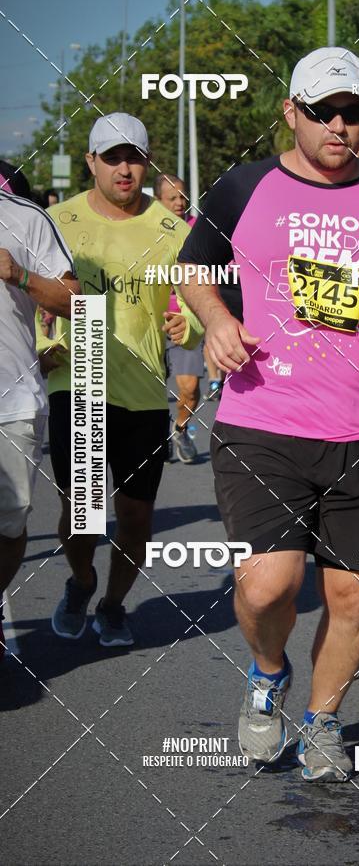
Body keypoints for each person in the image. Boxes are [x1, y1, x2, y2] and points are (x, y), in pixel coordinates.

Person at [179, 47, 359, 782]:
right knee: (267, 585)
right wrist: (213, 318)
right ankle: (268, 675)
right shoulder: (243, 187)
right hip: (262, 419)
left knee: (350, 594)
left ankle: (324, 720)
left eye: (353, 112)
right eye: (323, 111)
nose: (340, 125)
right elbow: (193, 268)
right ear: (292, 113)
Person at [41, 113, 203, 647]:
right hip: (80, 379)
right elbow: (28, 303)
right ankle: (82, 580)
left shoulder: (172, 229)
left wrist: (191, 324)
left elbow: (199, 301)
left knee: (135, 517)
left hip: (143, 389)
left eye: (133, 156)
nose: (124, 168)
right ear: (91, 162)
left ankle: (113, 604)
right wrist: (46, 348)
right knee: (82, 514)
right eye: (112, 157)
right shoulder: (57, 221)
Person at [0, 162, 79, 660]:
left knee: (10, 522)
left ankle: (91, 586)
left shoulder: (26, 217)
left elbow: (77, 301)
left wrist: (18, 273)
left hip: (15, 401)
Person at [154, 173, 203, 463]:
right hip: (150, 320)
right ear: (159, 200)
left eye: (183, 197)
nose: (179, 202)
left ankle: (180, 429)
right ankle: (157, 432)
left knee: (191, 389)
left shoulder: (197, 229)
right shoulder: (145, 231)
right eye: (172, 197)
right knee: (149, 390)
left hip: (186, 320)